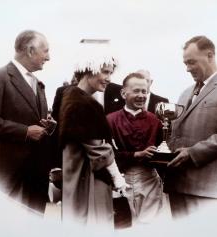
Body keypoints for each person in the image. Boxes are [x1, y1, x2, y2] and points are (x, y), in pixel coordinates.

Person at [166, 35, 217, 218]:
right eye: (185, 63)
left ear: (210, 55)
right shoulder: (185, 93)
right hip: (176, 185)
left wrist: (192, 152)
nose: (187, 69)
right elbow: (175, 133)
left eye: (192, 62)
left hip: (206, 189)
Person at [0, 30, 53, 213]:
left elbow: (35, 122)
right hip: (10, 175)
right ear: (30, 50)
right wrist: (25, 131)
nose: (49, 57)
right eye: (46, 51)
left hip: (36, 176)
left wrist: (48, 126)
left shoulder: (39, 84)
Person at [58, 44, 127, 227]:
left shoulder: (68, 95)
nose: (109, 79)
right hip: (88, 178)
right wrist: (118, 178)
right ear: (89, 70)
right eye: (105, 72)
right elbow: (98, 150)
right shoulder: (83, 102)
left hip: (73, 174)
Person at [107, 72, 165, 225]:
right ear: (123, 93)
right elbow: (108, 154)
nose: (141, 95)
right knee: (124, 226)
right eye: (136, 91)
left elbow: (161, 149)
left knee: (149, 227)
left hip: (149, 179)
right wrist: (135, 155)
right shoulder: (110, 120)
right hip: (121, 179)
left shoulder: (155, 120)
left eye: (144, 91)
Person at [104, 69, 169, 115]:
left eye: (146, 80)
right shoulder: (122, 99)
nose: (142, 83)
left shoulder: (162, 102)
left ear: (151, 82)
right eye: (138, 79)